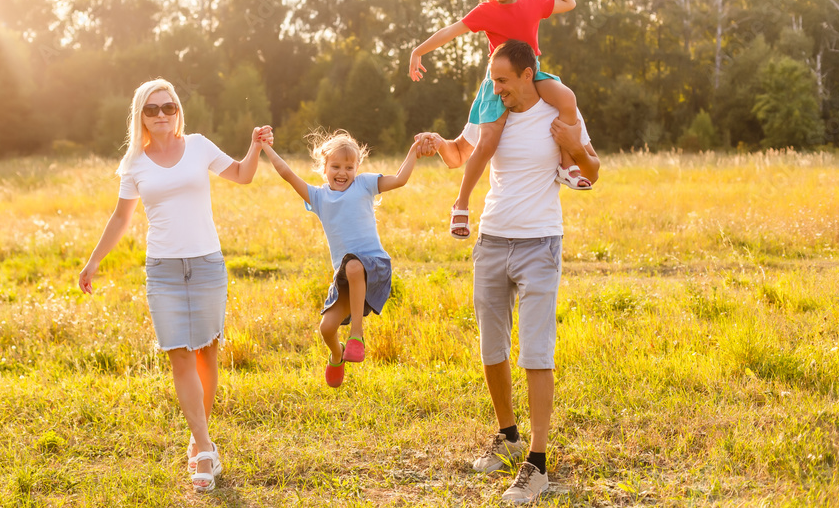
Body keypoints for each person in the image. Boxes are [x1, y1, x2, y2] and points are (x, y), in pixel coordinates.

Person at [417, 40, 599, 504]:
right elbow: (461, 155)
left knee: (536, 351)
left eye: (502, 80)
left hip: (540, 242)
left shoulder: (556, 114)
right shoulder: (491, 111)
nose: (495, 88)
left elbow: (593, 171)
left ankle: (536, 464)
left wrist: (574, 145)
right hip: (492, 240)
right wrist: (437, 144)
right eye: (492, 80)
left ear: (527, 74)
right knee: (491, 346)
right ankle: (508, 437)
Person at [77, 78, 272, 493]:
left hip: (206, 264)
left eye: (168, 107)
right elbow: (120, 218)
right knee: (179, 356)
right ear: (141, 117)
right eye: (152, 109)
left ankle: (198, 436)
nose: (162, 114)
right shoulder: (134, 164)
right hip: (162, 270)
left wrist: (254, 147)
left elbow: (241, 175)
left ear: (178, 110)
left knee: (206, 354)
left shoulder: (199, 145)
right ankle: (204, 449)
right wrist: (93, 261)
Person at [409, 0, 588, 241]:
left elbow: (568, 3)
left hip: (533, 73)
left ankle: (566, 166)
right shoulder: (485, 11)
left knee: (566, 98)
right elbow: (450, 31)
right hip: (500, 80)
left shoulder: (532, 2)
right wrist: (417, 52)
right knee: (488, 142)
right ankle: (461, 203)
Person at [261, 130, 424, 388]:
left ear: (357, 168)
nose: (342, 172)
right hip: (346, 278)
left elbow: (401, 179)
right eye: (335, 166)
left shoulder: (365, 184)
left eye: (349, 167)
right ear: (324, 168)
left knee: (354, 264)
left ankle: (356, 335)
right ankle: (337, 355)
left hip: (374, 266)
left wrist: (414, 150)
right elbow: (287, 174)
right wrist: (265, 147)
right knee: (326, 328)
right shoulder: (318, 197)